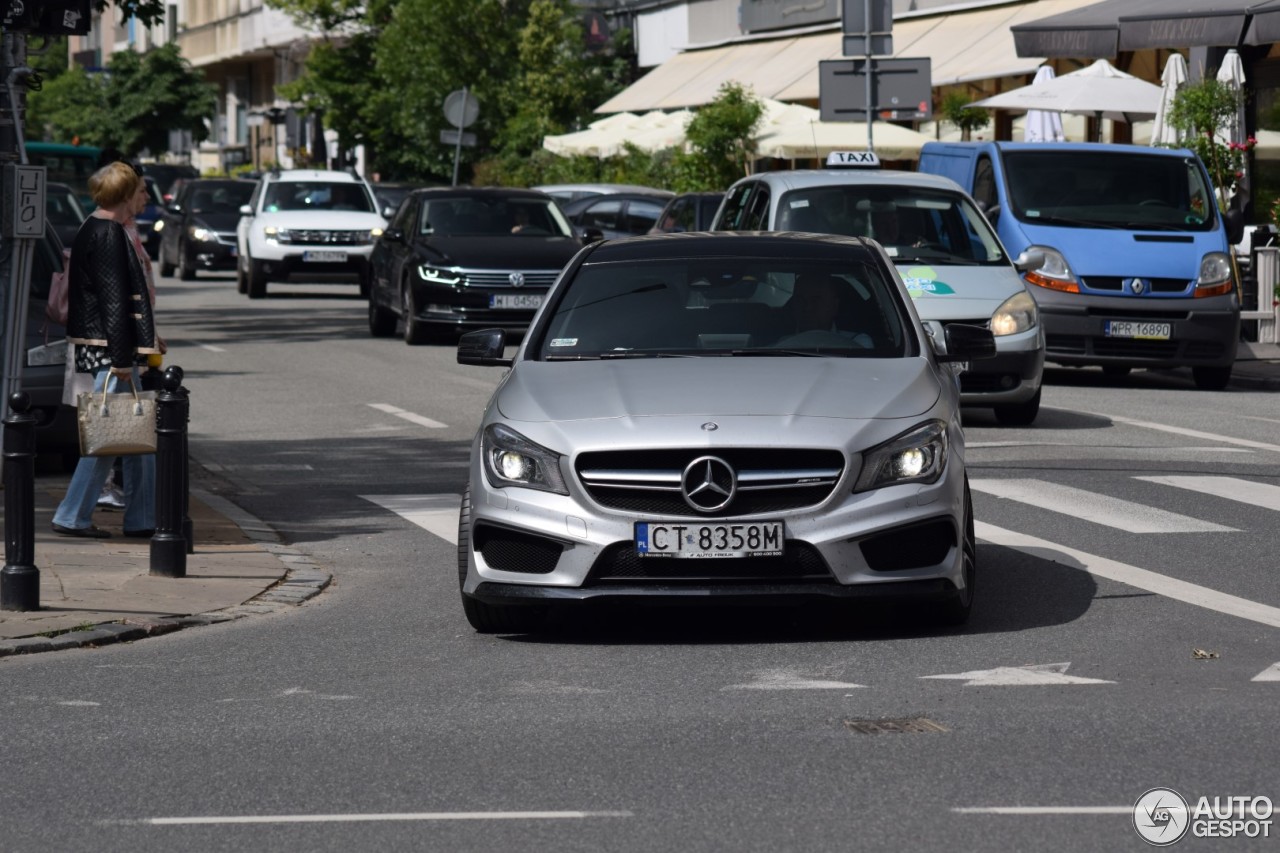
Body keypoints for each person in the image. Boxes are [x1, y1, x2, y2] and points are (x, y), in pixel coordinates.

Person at [51, 161, 161, 539]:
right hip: (109, 350)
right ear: (126, 194)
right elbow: (115, 300)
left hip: (110, 345)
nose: (141, 197)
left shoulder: (92, 227)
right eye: (138, 190)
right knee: (108, 436)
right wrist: (122, 358)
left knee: (134, 434)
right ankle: (72, 514)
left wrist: (145, 339)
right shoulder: (110, 233)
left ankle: (143, 517)